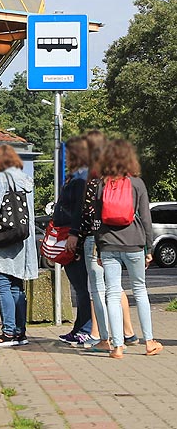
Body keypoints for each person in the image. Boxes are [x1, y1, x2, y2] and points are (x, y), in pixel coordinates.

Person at [68, 130, 137, 352]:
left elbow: (86, 211)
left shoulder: (91, 177)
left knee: (96, 289)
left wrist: (76, 234)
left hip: (95, 238)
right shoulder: (119, 175)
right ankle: (128, 333)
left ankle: (101, 336)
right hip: (118, 236)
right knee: (115, 287)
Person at [95, 138, 163, 359]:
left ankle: (117, 346)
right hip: (134, 243)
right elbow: (145, 218)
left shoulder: (102, 184)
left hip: (108, 244)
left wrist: (98, 246)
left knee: (113, 293)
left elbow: (97, 218)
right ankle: (149, 342)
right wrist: (149, 247)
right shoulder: (137, 184)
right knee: (140, 290)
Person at [0, 144, 38, 347]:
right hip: (22, 242)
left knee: (1, 284)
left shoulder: (3, 180)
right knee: (16, 287)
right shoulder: (26, 181)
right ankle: (20, 333)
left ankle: (8, 333)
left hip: (3, 241)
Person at [53, 135, 93, 345]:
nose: (67, 157)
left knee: (81, 285)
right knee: (78, 285)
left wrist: (74, 233)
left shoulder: (81, 178)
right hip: (71, 234)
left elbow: (79, 208)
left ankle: (86, 328)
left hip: (75, 237)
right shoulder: (75, 176)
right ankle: (79, 327)